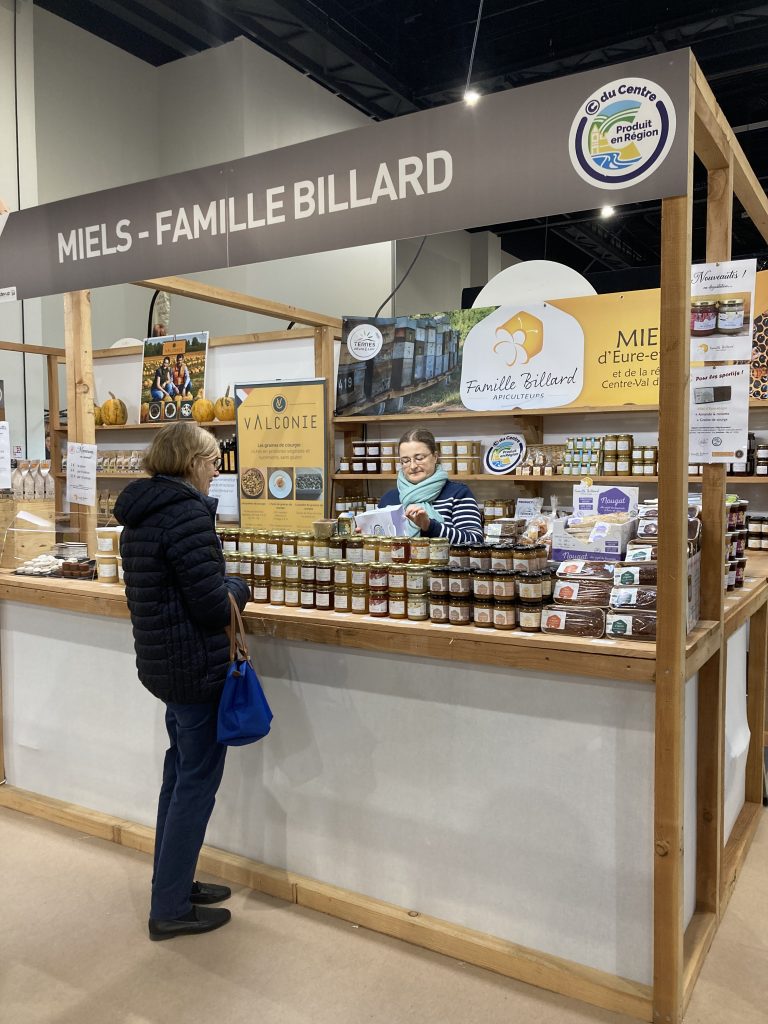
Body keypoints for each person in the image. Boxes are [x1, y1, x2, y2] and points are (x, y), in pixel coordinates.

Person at [114, 422, 250, 941]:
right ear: (193, 462)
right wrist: (239, 584)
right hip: (195, 668)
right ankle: (169, 907)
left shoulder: (141, 516)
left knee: (178, 775)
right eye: (213, 460)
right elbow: (212, 603)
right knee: (196, 784)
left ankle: (175, 882)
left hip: (166, 667)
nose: (218, 469)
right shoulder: (187, 515)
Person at [378, 428, 483, 545]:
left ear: (435, 456)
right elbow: (380, 544)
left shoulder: (458, 494)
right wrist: (365, 536)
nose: (412, 466)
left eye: (419, 458)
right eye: (405, 460)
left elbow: (475, 541)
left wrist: (429, 526)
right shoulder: (388, 499)